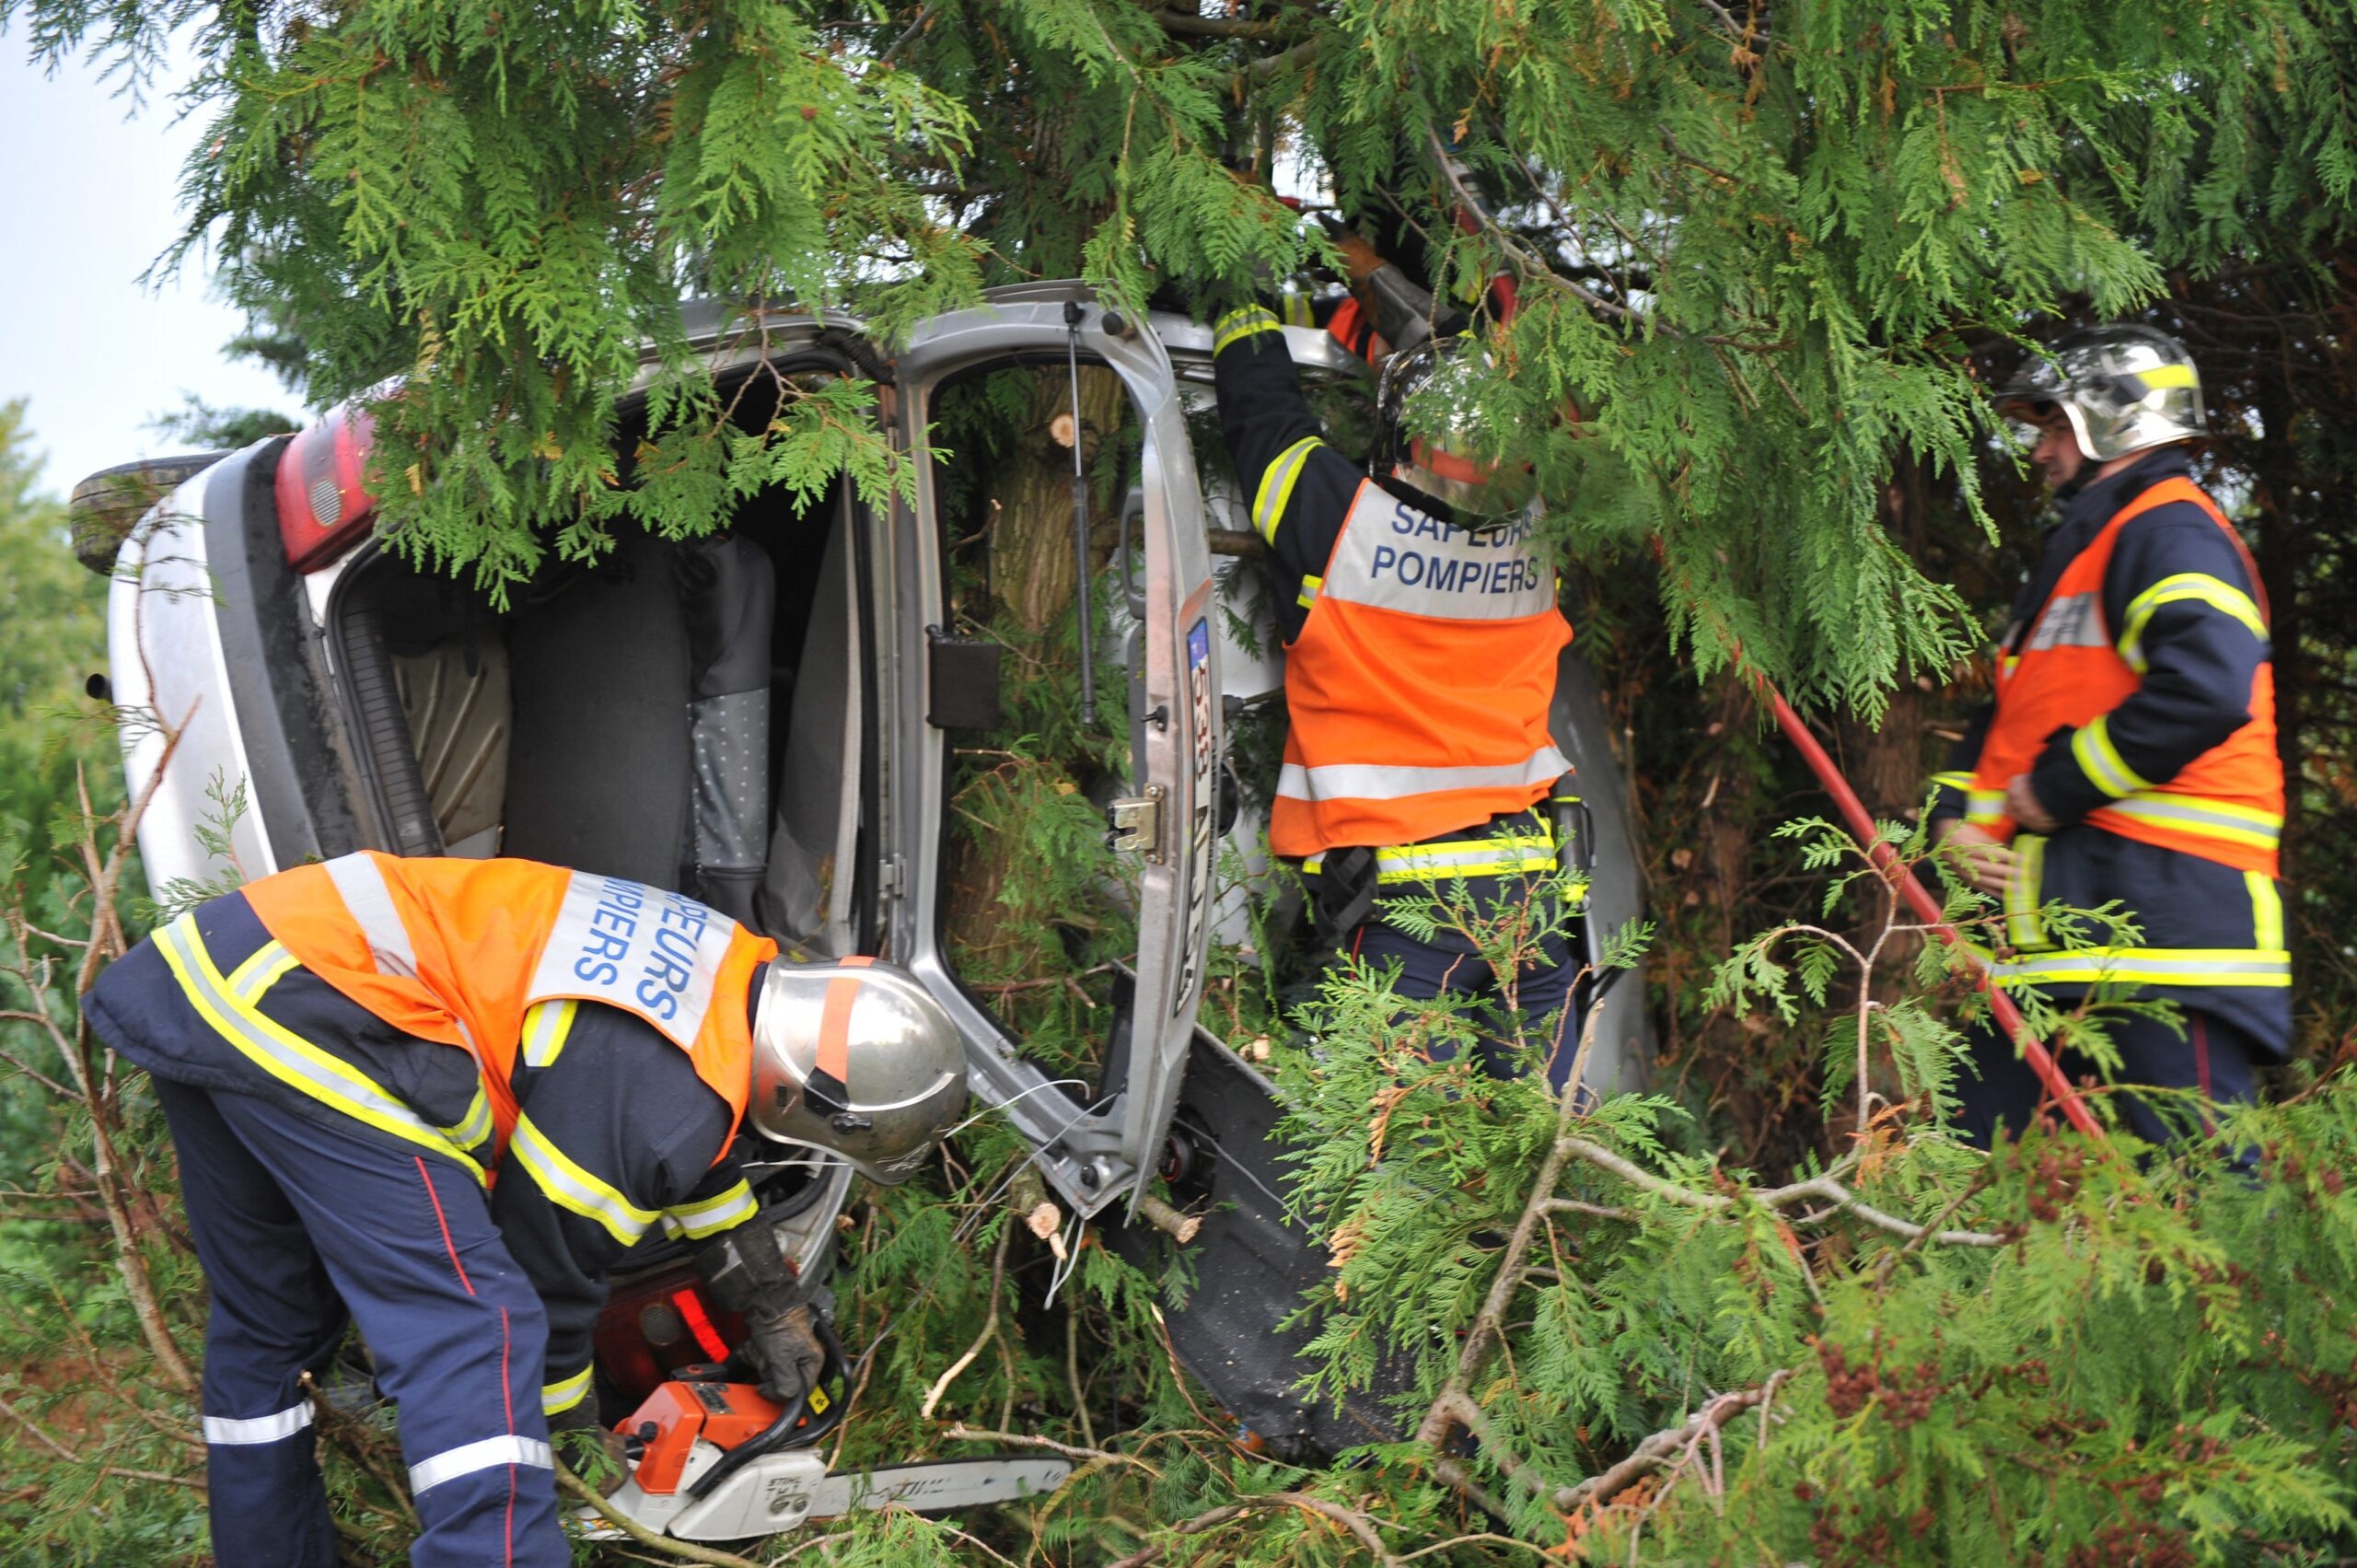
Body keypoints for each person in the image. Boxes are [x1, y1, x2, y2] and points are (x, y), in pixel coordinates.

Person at [82, 852, 968, 1568]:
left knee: (272, 1328)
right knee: (476, 1322)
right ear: (817, 1099)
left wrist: (766, 1291)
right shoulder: (661, 1099)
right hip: (319, 1005)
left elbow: (686, 1137)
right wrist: (575, 1438)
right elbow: (546, 1278)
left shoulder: (735, 966)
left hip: (213, 972)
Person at [1209, 239, 1584, 1087]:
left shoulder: (1344, 523)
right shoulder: (1539, 541)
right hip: (1529, 895)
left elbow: (1264, 421)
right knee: (1546, 1158)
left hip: (1409, 910)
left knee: (1400, 1174)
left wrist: (1238, 292)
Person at [1928, 325, 2289, 1146]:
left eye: (2055, 426)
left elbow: (2206, 687)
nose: (2040, 451)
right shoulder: (2089, 547)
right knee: (1955, 1181)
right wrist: (1951, 825)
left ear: (2114, 424)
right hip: (2062, 946)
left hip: (2167, 943)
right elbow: (2008, 720)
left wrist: (2056, 790)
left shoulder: (2170, 532)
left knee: (2204, 1211)